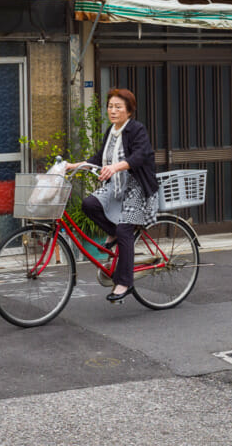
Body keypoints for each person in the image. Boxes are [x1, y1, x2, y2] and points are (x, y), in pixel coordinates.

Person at [80, 88, 159, 303]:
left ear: (129, 111)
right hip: (117, 185)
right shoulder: (111, 132)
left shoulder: (136, 129)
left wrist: (115, 167)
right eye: (110, 106)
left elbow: (140, 155)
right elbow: (99, 157)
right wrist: (76, 165)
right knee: (89, 204)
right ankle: (114, 233)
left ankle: (124, 283)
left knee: (125, 229)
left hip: (138, 186)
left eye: (118, 107)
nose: (112, 111)